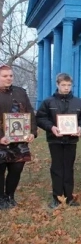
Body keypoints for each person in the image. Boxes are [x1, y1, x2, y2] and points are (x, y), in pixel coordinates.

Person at [36, 73, 81, 208]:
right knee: (57, 168)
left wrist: (80, 127)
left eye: (69, 85)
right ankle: (57, 197)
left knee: (69, 168)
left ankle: (69, 197)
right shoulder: (48, 102)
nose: (66, 88)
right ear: (57, 85)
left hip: (71, 140)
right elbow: (40, 118)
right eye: (63, 85)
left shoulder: (78, 102)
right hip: (55, 140)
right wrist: (51, 127)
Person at [0, 64, 37, 210]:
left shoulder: (20, 92)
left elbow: (30, 113)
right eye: (5, 76)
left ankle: (10, 196)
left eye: (11, 75)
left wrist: (32, 132)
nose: (9, 78)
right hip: (2, 141)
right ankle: (1, 198)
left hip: (19, 141)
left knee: (16, 169)